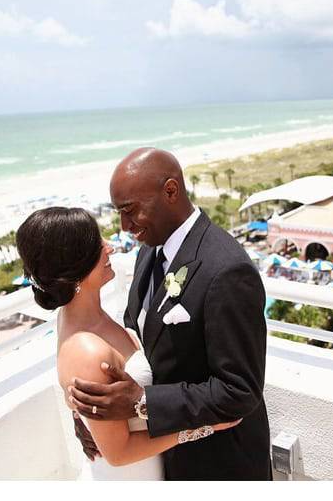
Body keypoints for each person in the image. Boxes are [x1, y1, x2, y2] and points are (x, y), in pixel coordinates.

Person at [68, 148, 272, 480]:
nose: (124, 226)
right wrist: (96, 418)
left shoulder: (227, 270)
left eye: (130, 210)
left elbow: (240, 392)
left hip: (220, 463)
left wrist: (142, 402)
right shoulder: (149, 252)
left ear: (171, 191)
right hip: (164, 456)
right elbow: (143, 343)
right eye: (119, 213)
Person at [16, 206, 240, 481]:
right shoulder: (88, 349)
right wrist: (201, 427)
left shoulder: (78, 316)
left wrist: (83, 417)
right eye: (97, 244)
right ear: (75, 266)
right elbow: (119, 453)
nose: (109, 248)